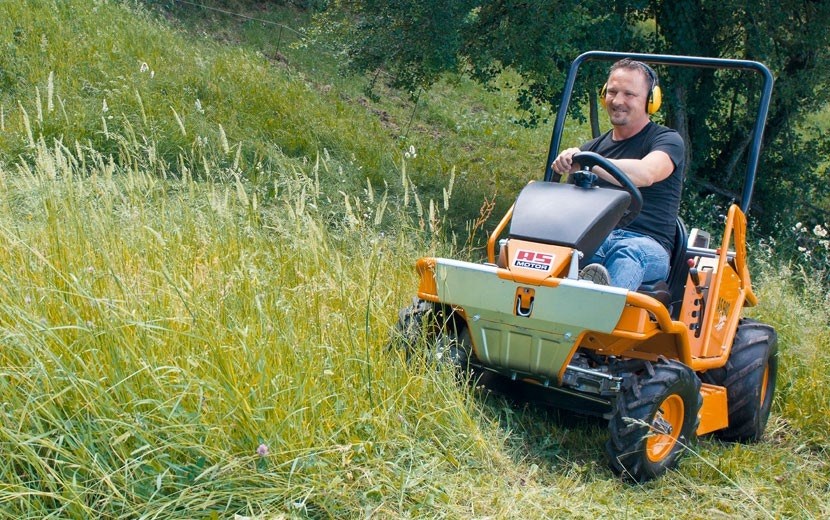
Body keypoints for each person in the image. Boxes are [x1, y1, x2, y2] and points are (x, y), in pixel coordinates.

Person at [551, 58, 685, 290]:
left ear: (651, 101)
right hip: (599, 239)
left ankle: (597, 315)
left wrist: (590, 163)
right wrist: (566, 164)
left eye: (629, 94)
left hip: (647, 244)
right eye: (612, 92)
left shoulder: (666, 140)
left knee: (628, 253)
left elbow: (647, 173)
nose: (618, 101)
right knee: (563, 248)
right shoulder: (589, 149)